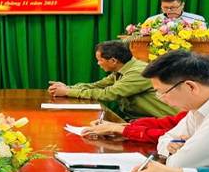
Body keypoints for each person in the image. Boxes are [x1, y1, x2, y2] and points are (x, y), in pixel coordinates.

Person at [82, 55, 209, 143]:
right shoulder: (196, 109)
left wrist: (122, 129)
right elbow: (169, 129)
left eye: (162, 92)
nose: (162, 98)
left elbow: (182, 158)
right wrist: (123, 127)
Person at [47, 40, 177, 119]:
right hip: (139, 119)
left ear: (113, 61)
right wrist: (68, 88)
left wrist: (67, 92)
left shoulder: (138, 72)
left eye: (100, 60)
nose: (98, 63)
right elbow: (98, 85)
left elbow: (108, 94)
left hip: (163, 122)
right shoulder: (121, 69)